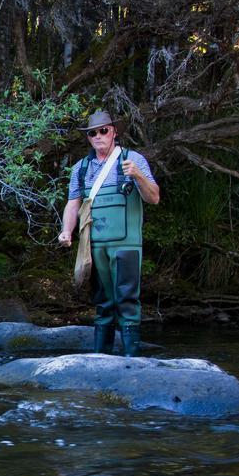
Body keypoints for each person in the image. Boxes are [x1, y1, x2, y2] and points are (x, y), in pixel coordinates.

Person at [58, 110, 160, 356]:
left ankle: (130, 360)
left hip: (127, 245)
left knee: (127, 301)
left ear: (114, 131)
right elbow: (73, 203)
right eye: (93, 133)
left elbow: (154, 197)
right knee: (102, 303)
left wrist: (137, 175)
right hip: (94, 247)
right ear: (88, 138)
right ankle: (99, 358)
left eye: (104, 130)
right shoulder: (81, 169)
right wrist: (66, 231)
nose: (98, 136)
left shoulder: (132, 159)